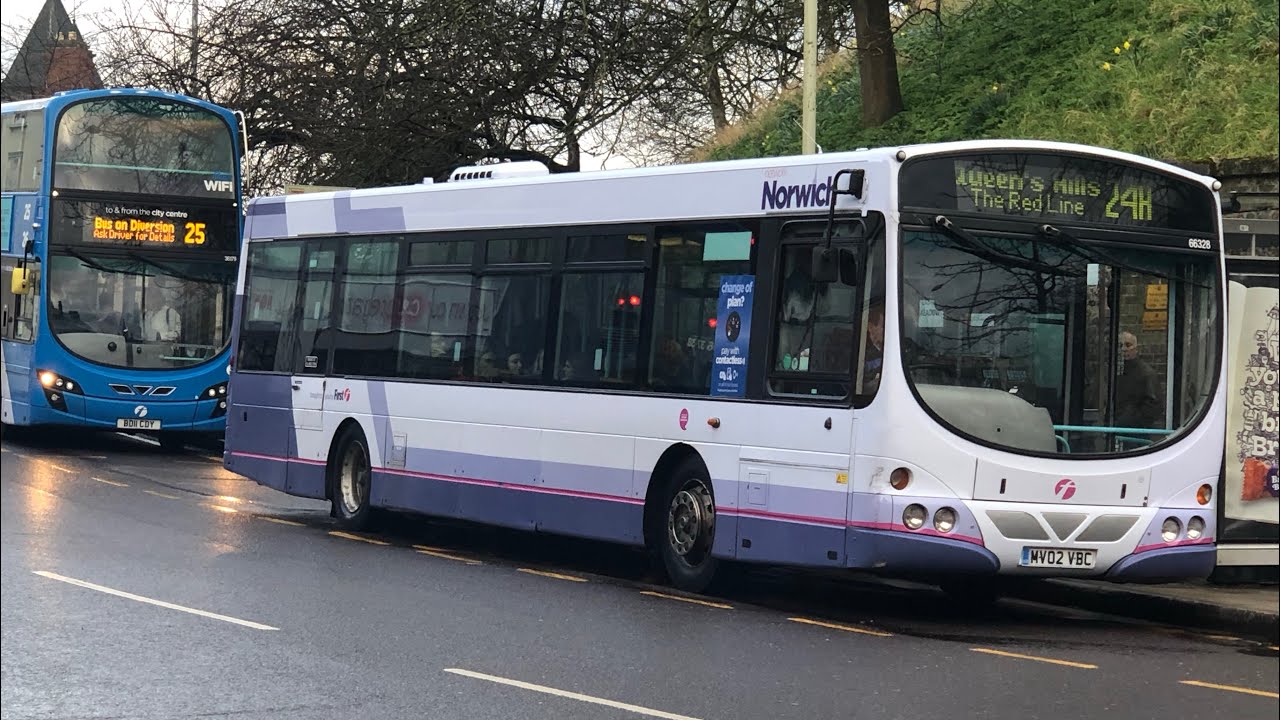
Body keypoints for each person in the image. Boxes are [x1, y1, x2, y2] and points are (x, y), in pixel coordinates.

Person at [1115, 331, 1162, 428]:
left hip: (1136, 431)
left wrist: (1129, 420)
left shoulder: (1146, 373)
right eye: (1120, 345)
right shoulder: (1113, 371)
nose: (1123, 349)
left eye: (1128, 345)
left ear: (1136, 349)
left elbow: (1154, 405)